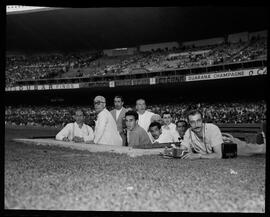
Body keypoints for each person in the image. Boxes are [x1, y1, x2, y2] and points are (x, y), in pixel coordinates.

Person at [181, 109, 266, 159]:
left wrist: (198, 155)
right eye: (192, 122)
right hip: (216, 150)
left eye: (198, 121)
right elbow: (182, 149)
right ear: (189, 123)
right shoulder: (188, 132)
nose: (196, 125)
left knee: (260, 150)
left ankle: (262, 139)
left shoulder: (212, 128)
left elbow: (218, 155)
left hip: (230, 146)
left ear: (202, 120)